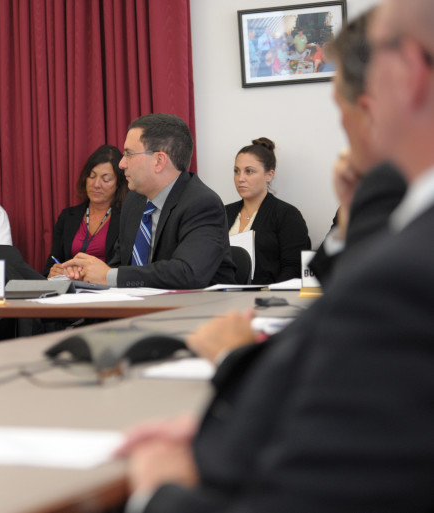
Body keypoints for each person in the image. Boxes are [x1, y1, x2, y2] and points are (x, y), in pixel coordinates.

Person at [116, 1, 434, 511]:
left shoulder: (402, 279)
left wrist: (157, 486)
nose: (352, 133)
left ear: (408, 76)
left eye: (347, 109)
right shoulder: (395, 235)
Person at [62, 113, 236, 289]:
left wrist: (108, 275)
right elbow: (119, 265)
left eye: (129, 154)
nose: (122, 164)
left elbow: (187, 273)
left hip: (195, 311)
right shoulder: (134, 201)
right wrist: (90, 275)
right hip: (138, 309)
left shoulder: (202, 204)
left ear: (159, 161)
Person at [308, 11, 407, 288]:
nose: (341, 121)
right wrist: (350, 212)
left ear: (367, 110)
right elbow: (330, 288)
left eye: (340, 105)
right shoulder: (374, 188)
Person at [225, 137, 310, 285]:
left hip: (266, 300)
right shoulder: (224, 213)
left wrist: (269, 297)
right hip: (220, 297)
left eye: (249, 171)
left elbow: (293, 268)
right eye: (236, 171)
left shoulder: (287, 215)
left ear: (269, 175)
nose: (241, 178)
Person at [43, 144, 126, 277]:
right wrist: (53, 272)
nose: (96, 184)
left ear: (118, 184)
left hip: (107, 291)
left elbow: (125, 268)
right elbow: (52, 262)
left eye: (106, 179)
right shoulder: (67, 216)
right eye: (92, 176)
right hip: (71, 289)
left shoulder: (126, 218)